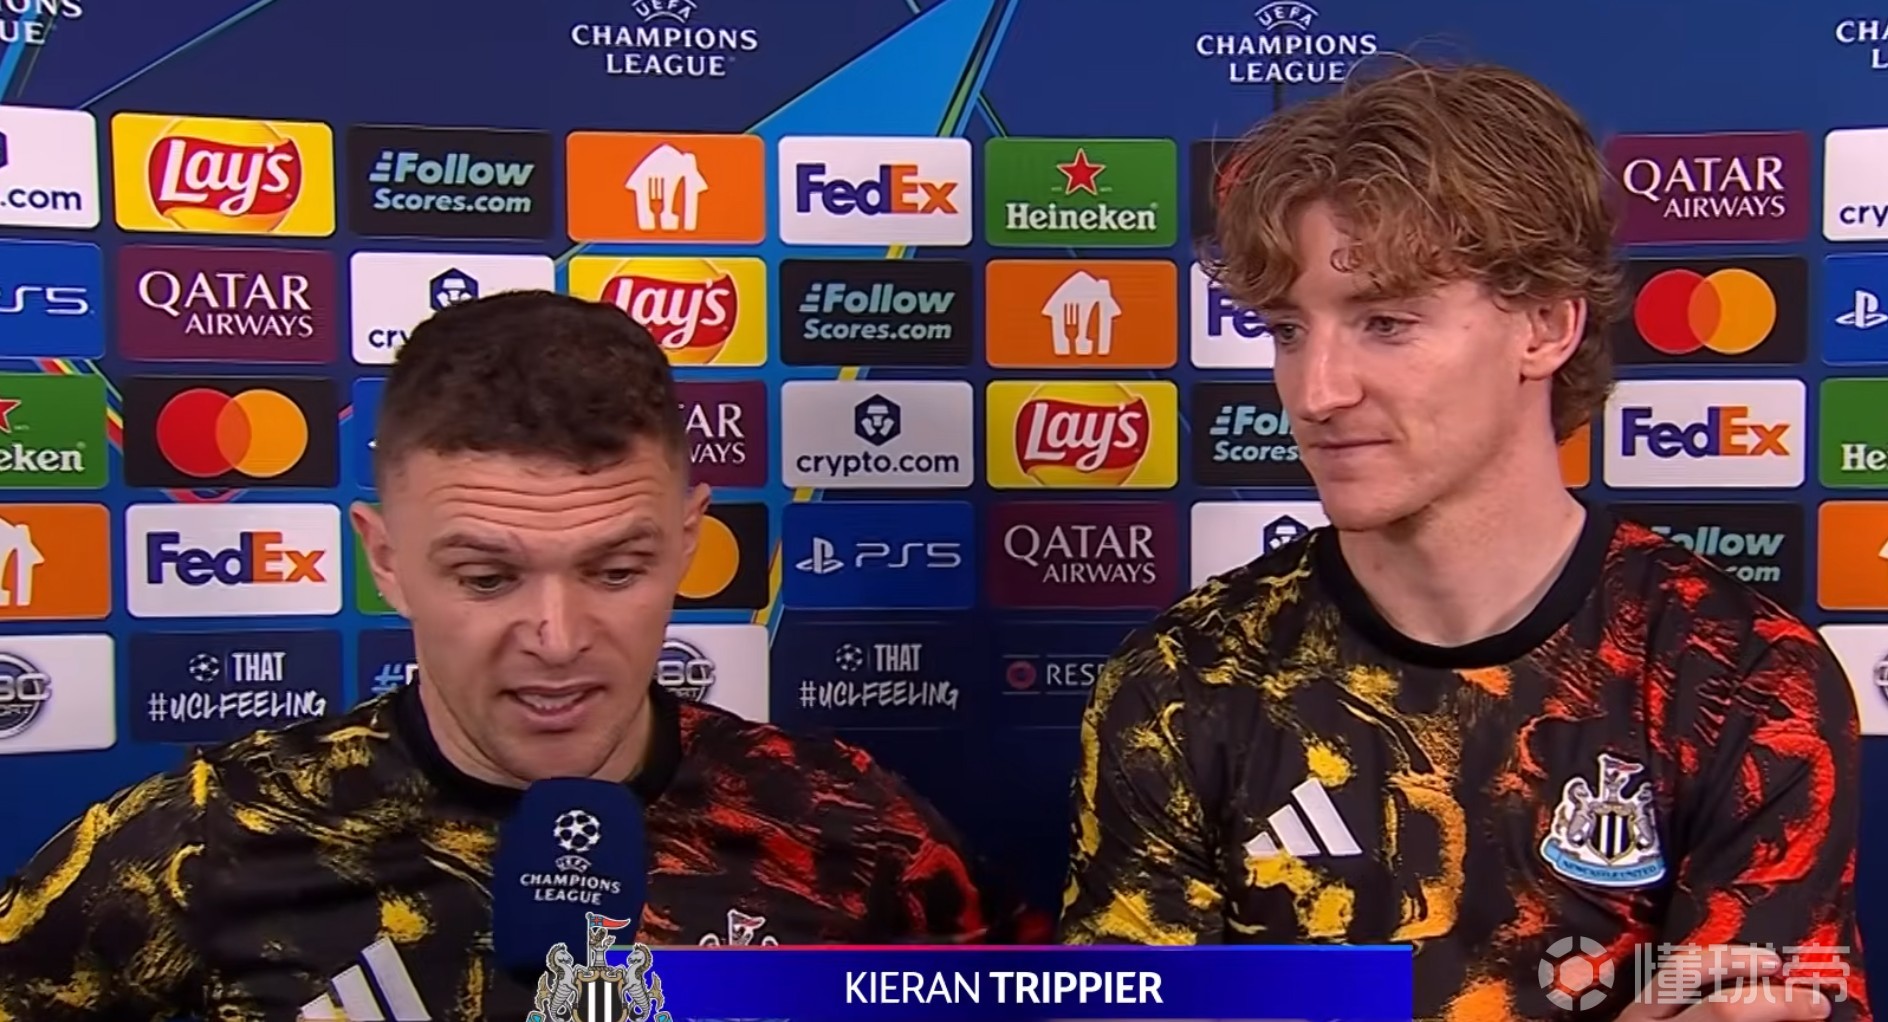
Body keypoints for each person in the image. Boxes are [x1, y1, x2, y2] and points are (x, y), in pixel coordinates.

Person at [1058, 60, 1869, 1022]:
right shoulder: (1183, 681)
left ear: (1546, 325)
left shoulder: (1741, 677)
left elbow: (1750, 1009)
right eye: (1287, 331)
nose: (1316, 392)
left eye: (1385, 323)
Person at [0, 291, 1042, 1020]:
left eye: (617, 569)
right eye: (487, 577)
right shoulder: (210, 838)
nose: (557, 636)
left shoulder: (847, 823)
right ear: (385, 559)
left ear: (688, 541)